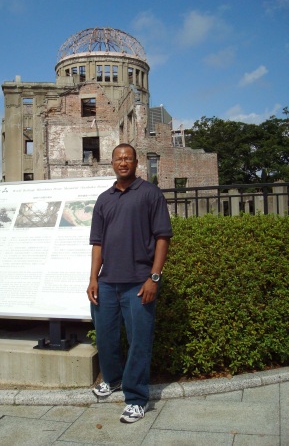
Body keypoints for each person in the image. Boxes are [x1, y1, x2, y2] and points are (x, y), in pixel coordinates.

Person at [87, 143, 173, 423]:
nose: (123, 162)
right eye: (118, 158)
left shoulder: (150, 193)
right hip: (108, 282)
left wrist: (154, 278)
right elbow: (97, 243)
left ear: (136, 163)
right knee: (106, 337)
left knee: (139, 341)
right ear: (111, 163)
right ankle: (112, 380)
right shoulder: (104, 199)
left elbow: (163, 237)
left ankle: (136, 398)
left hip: (139, 282)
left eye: (128, 158)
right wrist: (93, 279)